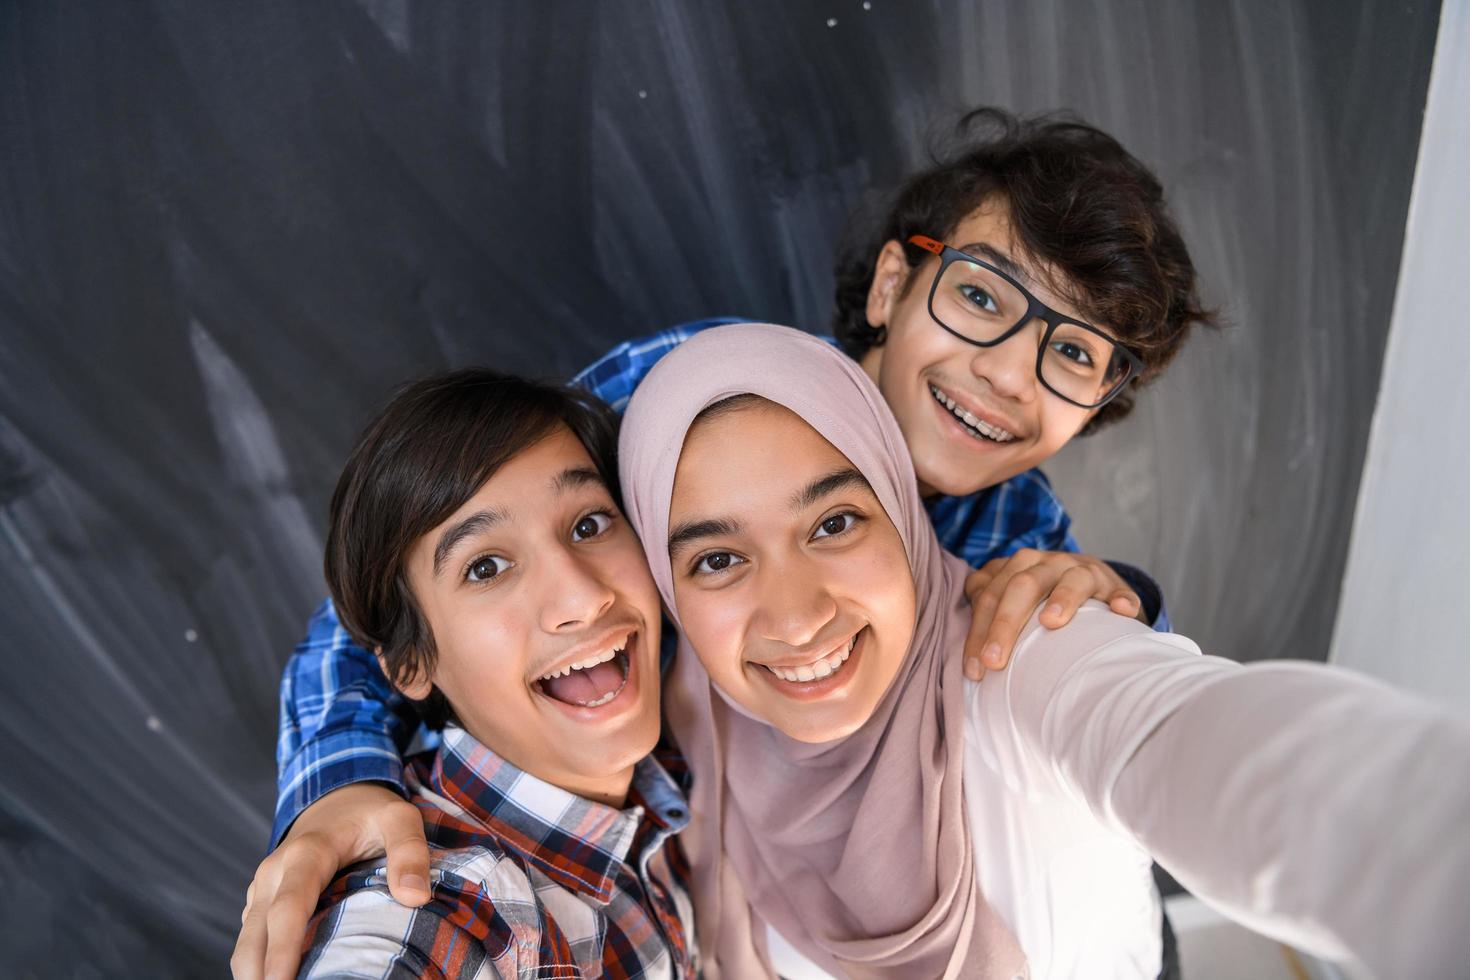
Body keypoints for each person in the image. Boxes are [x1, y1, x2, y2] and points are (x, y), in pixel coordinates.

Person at [233, 107, 1212, 978]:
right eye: (985, 299)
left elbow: (1114, 683)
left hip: (749, 881)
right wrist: (340, 781)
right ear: (891, 284)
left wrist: (1117, 596)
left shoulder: (1015, 524)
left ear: (1096, 409)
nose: (1006, 372)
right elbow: (399, 583)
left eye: (1075, 353)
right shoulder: (694, 394)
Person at [616, 322, 1470, 979]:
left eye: (836, 523)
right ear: (664, 581)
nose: (795, 618)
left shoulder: (1018, 656)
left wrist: (1431, 858)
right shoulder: (690, 727)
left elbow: (1196, 738)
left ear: (902, 513)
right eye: (718, 559)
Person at [288, 370, 695, 978]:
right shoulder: (437, 900)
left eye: (589, 524)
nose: (582, 597)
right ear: (410, 664)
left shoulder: (679, 779)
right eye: (486, 567)